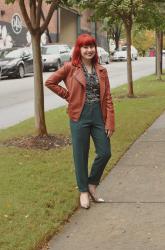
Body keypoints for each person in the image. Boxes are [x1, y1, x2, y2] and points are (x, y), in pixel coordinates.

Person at [45, 34, 115, 209]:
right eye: (85, 47)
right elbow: (50, 82)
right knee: (80, 155)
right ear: (79, 49)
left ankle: (92, 184)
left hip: (99, 116)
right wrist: (69, 96)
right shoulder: (70, 67)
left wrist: (110, 121)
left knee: (105, 152)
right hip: (79, 116)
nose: (89, 50)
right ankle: (83, 191)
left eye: (91, 46)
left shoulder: (101, 70)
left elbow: (107, 97)